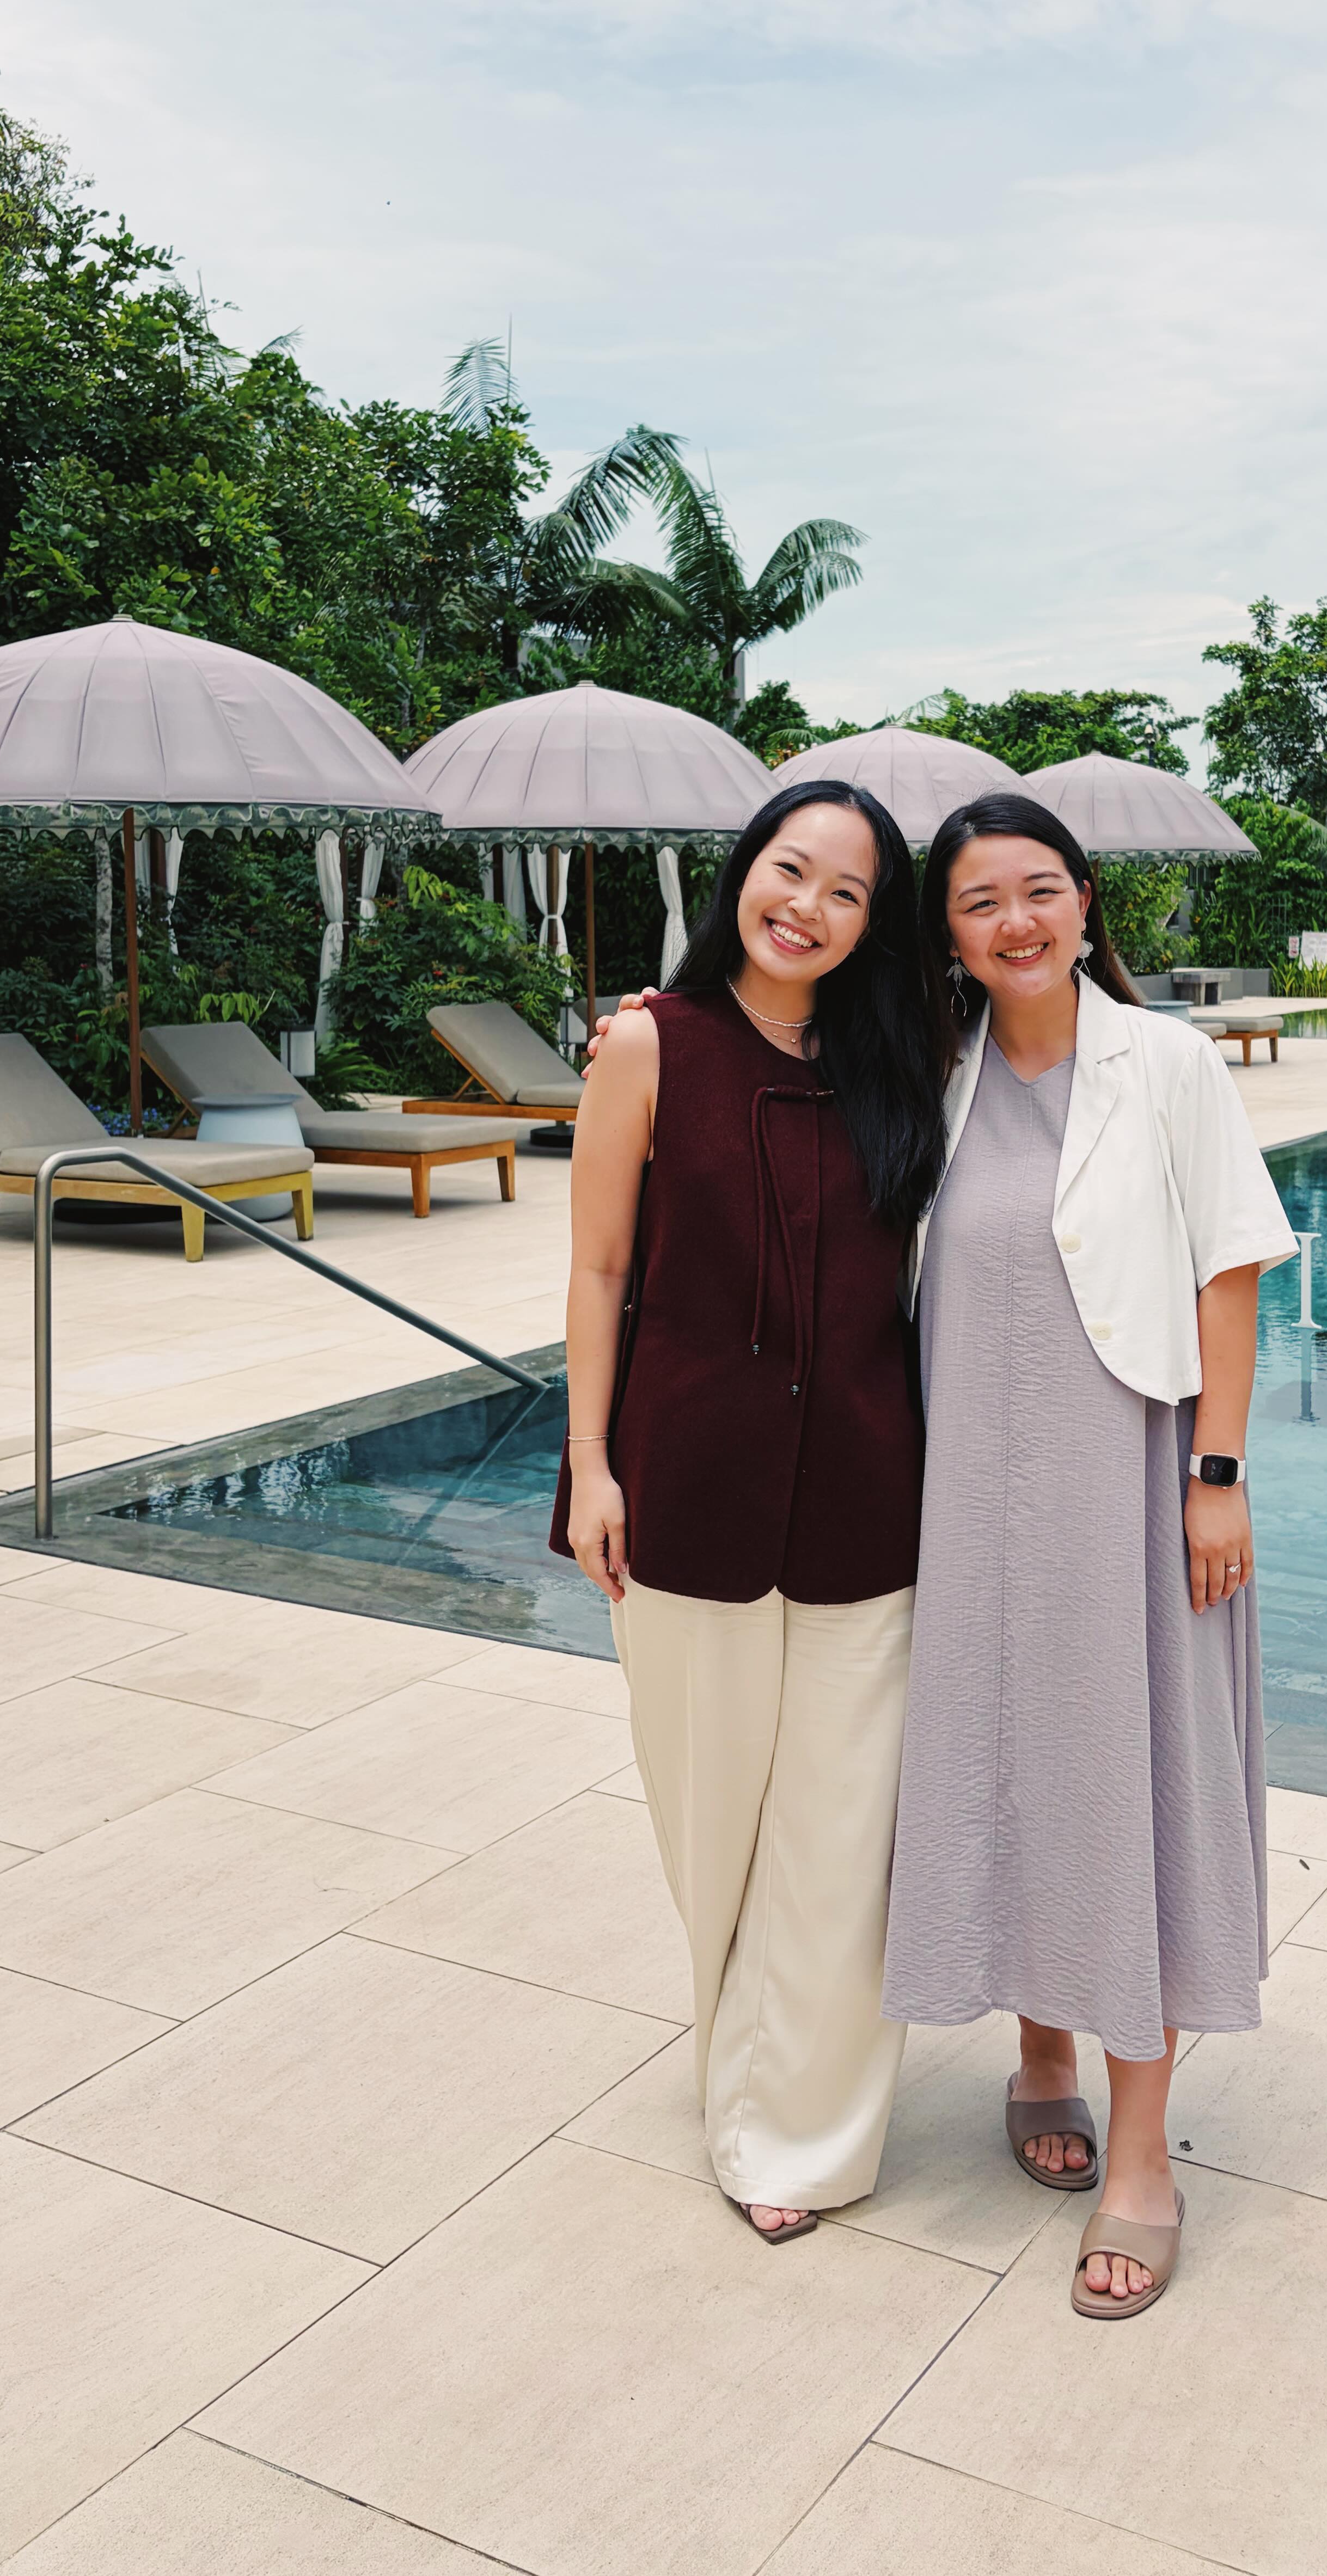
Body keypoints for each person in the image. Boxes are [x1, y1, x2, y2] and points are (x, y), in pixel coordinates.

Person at [882, 795, 1297, 2319]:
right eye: (980, 901)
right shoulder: (936, 1070)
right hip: (970, 1494)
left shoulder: (1166, 1063)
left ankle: (1140, 2150)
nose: (1017, 922)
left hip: (1130, 1477)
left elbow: (1230, 1267)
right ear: (948, 933)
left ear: (1084, 899)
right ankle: (1037, 2043)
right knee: (1006, 1757)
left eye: (1039, 890)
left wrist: (1219, 1476)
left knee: (1130, 1782)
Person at [554, 782, 945, 2243]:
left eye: (850, 893)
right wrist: (591, 1462)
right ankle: (744, 2064)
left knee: (845, 1833)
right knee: (711, 1820)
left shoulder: (903, 1055)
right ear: (745, 874)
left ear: (872, 923)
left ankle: (796, 2135)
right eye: (794, 872)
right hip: (688, 1481)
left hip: (867, 1490)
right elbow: (598, 1270)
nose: (812, 908)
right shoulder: (651, 1043)